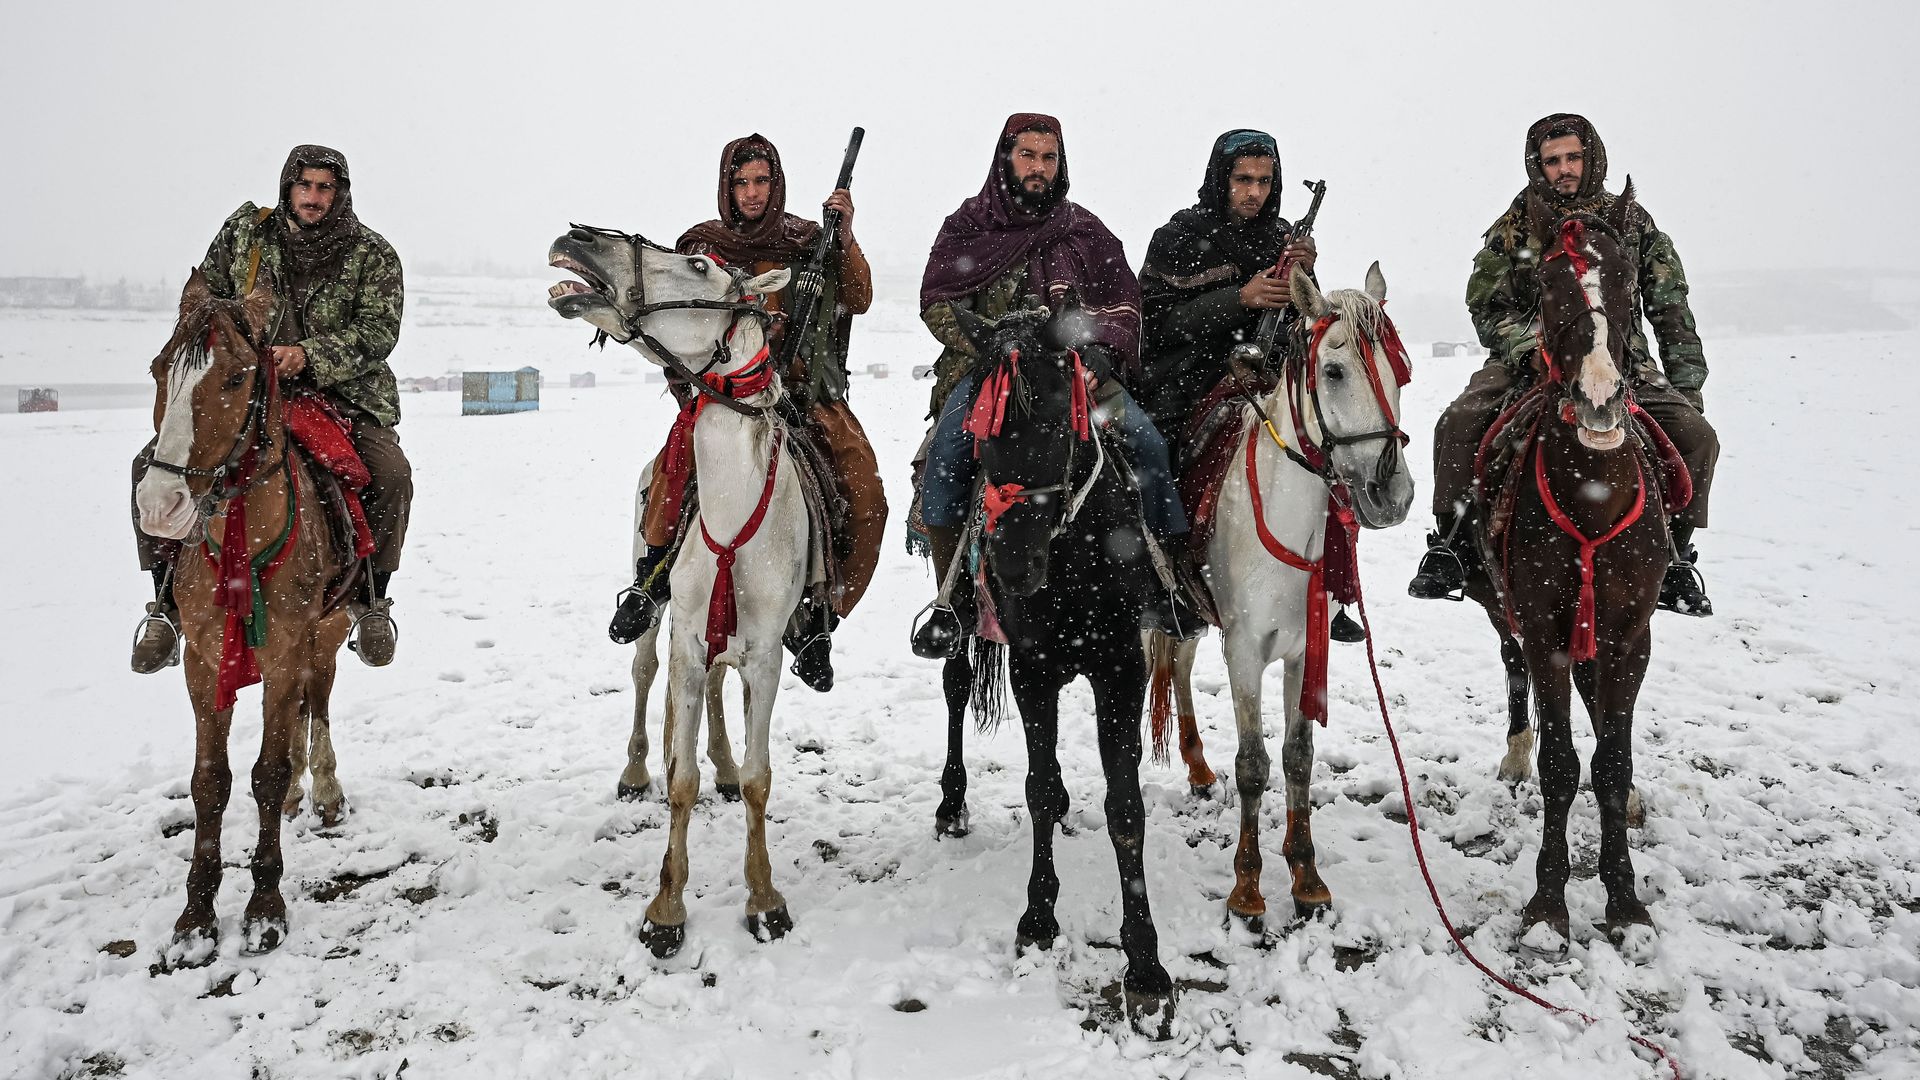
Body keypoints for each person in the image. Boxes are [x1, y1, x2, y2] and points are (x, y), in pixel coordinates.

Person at [608, 134, 888, 692]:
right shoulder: (701, 250)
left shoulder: (809, 242)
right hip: (725, 397)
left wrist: (846, 237)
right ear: (726, 188)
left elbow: (858, 297)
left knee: (863, 490)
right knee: (675, 467)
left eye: (762, 181)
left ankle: (817, 616)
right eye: (742, 183)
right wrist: (693, 391)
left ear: (776, 184)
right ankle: (652, 580)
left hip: (807, 401)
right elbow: (677, 326)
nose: (753, 193)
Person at [1407, 113, 1718, 615]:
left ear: (1591, 157)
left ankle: (1677, 556)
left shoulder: (1633, 224)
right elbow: (1488, 306)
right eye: (1552, 161)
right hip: (1525, 363)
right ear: (1537, 166)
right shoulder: (1513, 227)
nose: (1564, 169)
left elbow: (1671, 309)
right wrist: (1527, 345)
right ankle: (1452, 546)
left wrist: (1688, 389)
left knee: (1697, 436)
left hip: (1621, 365)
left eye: (1573, 157)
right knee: (1458, 423)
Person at [910, 113, 1186, 657]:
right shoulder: (968, 226)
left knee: (1149, 446)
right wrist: (986, 343)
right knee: (946, 455)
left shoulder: (1085, 230)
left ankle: (1165, 585)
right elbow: (937, 301)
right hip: (989, 371)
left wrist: (1103, 357)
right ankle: (953, 597)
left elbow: (1123, 304)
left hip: (1073, 374)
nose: (1039, 168)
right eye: (1029, 156)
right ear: (1005, 158)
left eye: (1049, 158)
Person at [130, 144, 410, 672]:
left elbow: (378, 333)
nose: (314, 197)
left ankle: (372, 598)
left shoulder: (372, 254)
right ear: (288, 187)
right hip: (245, 389)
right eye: (304, 185)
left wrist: (308, 355)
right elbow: (204, 302)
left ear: (340, 193)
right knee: (149, 467)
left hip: (340, 393)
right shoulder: (245, 235)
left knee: (391, 473)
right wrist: (226, 355)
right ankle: (165, 603)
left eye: (325, 187)